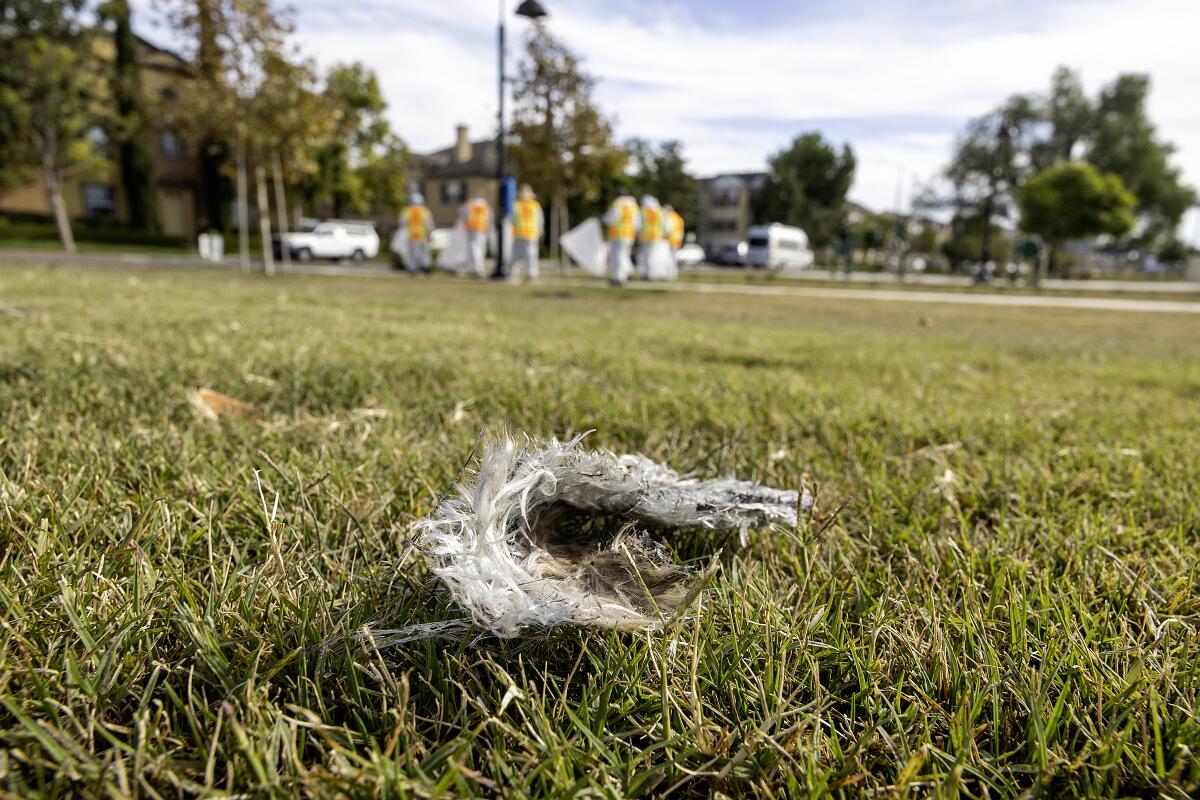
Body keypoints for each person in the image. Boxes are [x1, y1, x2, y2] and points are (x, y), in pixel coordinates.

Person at [604, 190, 640, 285]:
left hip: (618, 234)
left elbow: (613, 217)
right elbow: (637, 221)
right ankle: (627, 273)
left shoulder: (617, 203)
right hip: (629, 234)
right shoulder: (633, 205)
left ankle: (619, 278)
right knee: (624, 255)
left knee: (618, 256)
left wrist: (603, 218)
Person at [511, 184, 544, 281]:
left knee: (531, 255)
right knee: (516, 254)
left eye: (526, 192)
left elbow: (540, 219)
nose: (524, 194)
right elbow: (512, 218)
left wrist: (540, 229)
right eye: (522, 192)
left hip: (531, 234)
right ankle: (513, 272)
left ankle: (531, 273)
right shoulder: (516, 205)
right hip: (519, 234)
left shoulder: (535, 205)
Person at [400, 193, 434, 274]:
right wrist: (429, 233)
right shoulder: (424, 211)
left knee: (412, 253)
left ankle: (412, 269)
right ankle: (426, 267)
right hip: (422, 235)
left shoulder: (407, 211)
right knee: (424, 252)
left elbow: (402, 222)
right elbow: (429, 224)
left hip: (411, 235)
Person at [459, 193, 491, 278]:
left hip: (472, 229)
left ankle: (477, 269)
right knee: (481, 250)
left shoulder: (469, 205)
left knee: (474, 250)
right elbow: (488, 218)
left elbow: (463, 215)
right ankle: (477, 269)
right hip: (482, 230)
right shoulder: (485, 206)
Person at [637, 195, 664, 279]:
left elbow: (639, 224)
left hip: (647, 236)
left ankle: (649, 274)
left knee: (647, 256)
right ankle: (652, 273)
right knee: (653, 256)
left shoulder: (643, 211)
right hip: (656, 236)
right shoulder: (658, 211)